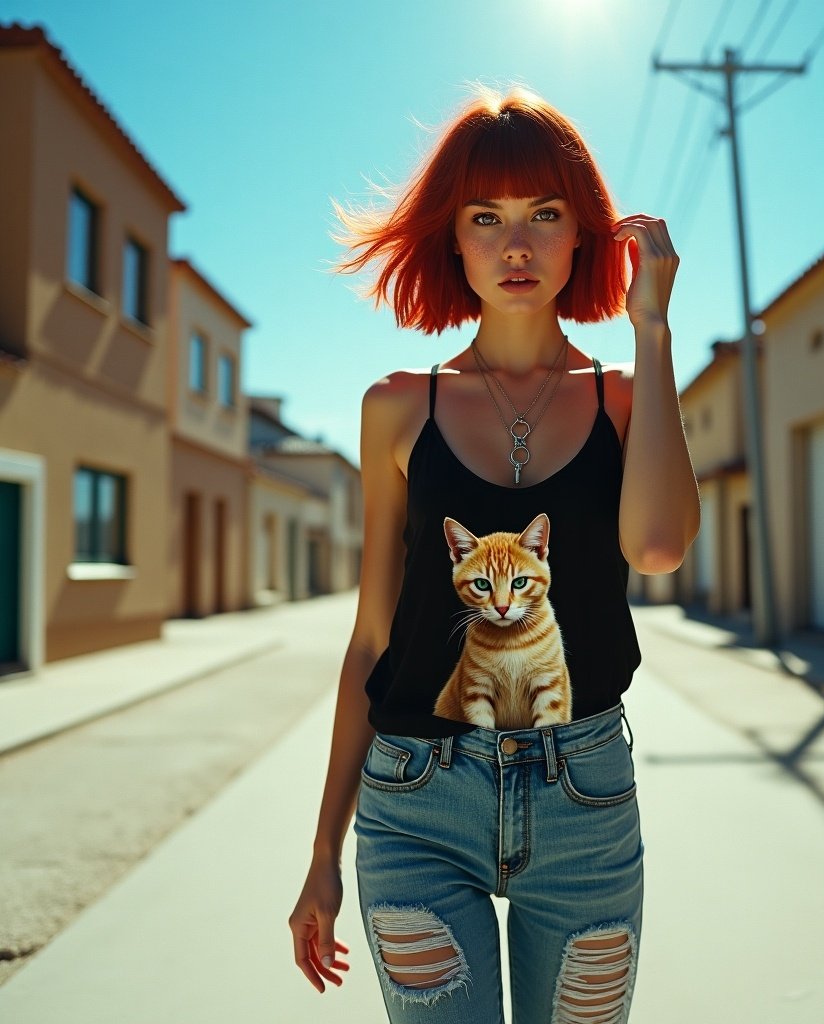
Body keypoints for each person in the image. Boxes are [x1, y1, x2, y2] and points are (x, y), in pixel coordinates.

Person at [288, 85, 700, 1023]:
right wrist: (321, 854)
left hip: (583, 800)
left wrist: (654, 326)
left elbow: (661, 545)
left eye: (545, 215)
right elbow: (371, 642)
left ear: (584, 235)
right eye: (487, 217)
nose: (516, 247)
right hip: (416, 803)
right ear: (454, 237)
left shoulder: (626, 399)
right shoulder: (396, 407)